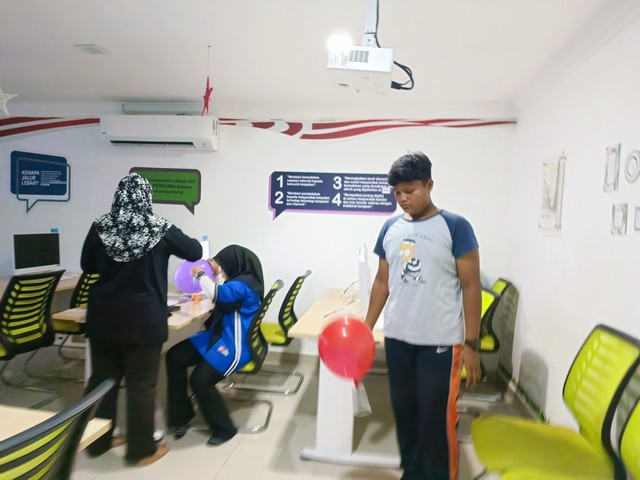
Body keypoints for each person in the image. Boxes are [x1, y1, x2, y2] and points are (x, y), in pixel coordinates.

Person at [364, 152, 482, 480]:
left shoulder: (455, 226)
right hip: (398, 338)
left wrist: (472, 344)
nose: (403, 198)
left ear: (430, 185)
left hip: (440, 342)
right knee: (405, 415)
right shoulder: (390, 227)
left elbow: (471, 287)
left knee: (436, 421)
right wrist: (365, 329)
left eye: (410, 190)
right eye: (397, 192)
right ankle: (413, 473)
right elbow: (382, 281)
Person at [80, 173, 202, 466]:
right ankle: (140, 450)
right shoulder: (159, 228)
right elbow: (195, 251)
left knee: (102, 382)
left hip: (104, 319)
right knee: (141, 385)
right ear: (147, 197)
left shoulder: (101, 226)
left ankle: (97, 443)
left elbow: (87, 265)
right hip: (143, 321)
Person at [166, 244, 264, 446]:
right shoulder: (245, 281)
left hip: (235, 347)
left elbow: (217, 294)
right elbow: (223, 292)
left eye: (223, 266)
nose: (221, 270)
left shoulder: (241, 286)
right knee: (174, 357)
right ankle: (181, 416)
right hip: (219, 337)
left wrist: (199, 273)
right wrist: (217, 273)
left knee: (200, 380)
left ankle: (225, 429)